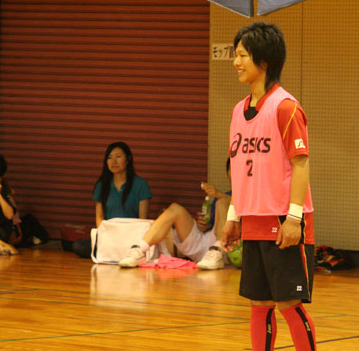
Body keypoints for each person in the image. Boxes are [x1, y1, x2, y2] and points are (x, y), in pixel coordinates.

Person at [221, 22, 316, 351]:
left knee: (289, 304)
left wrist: (294, 219)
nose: (236, 62)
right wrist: (233, 216)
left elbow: (301, 163)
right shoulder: (237, 111)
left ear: (264, 61)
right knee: (259, 304)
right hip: (252, 222)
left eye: (242, 55)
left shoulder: (286, 107)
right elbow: (239, 170)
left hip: (282, 221)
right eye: (235, 55)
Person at [118, 157, 232, 270]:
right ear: (227, 173)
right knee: (175, 209)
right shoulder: (220, 197)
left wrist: (219, 194)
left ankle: (217, 250)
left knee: (223, 202)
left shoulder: (223, 197)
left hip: (229, 249)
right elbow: (214, 226)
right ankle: (139, 250)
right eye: (232, 169)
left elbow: (237, 204)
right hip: (206, 244)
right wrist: (204, 224)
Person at [73, 141, 152, 258]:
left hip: (131, 237)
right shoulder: (102, 185)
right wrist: (105, 236)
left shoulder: (141, 184)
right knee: (78, 246)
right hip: (109, 236)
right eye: (109, 158)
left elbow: (143, 220)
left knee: (140, 248)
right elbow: (99, 217)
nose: (113, 161)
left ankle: (124, 253)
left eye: (118, 157)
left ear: (128, 159)